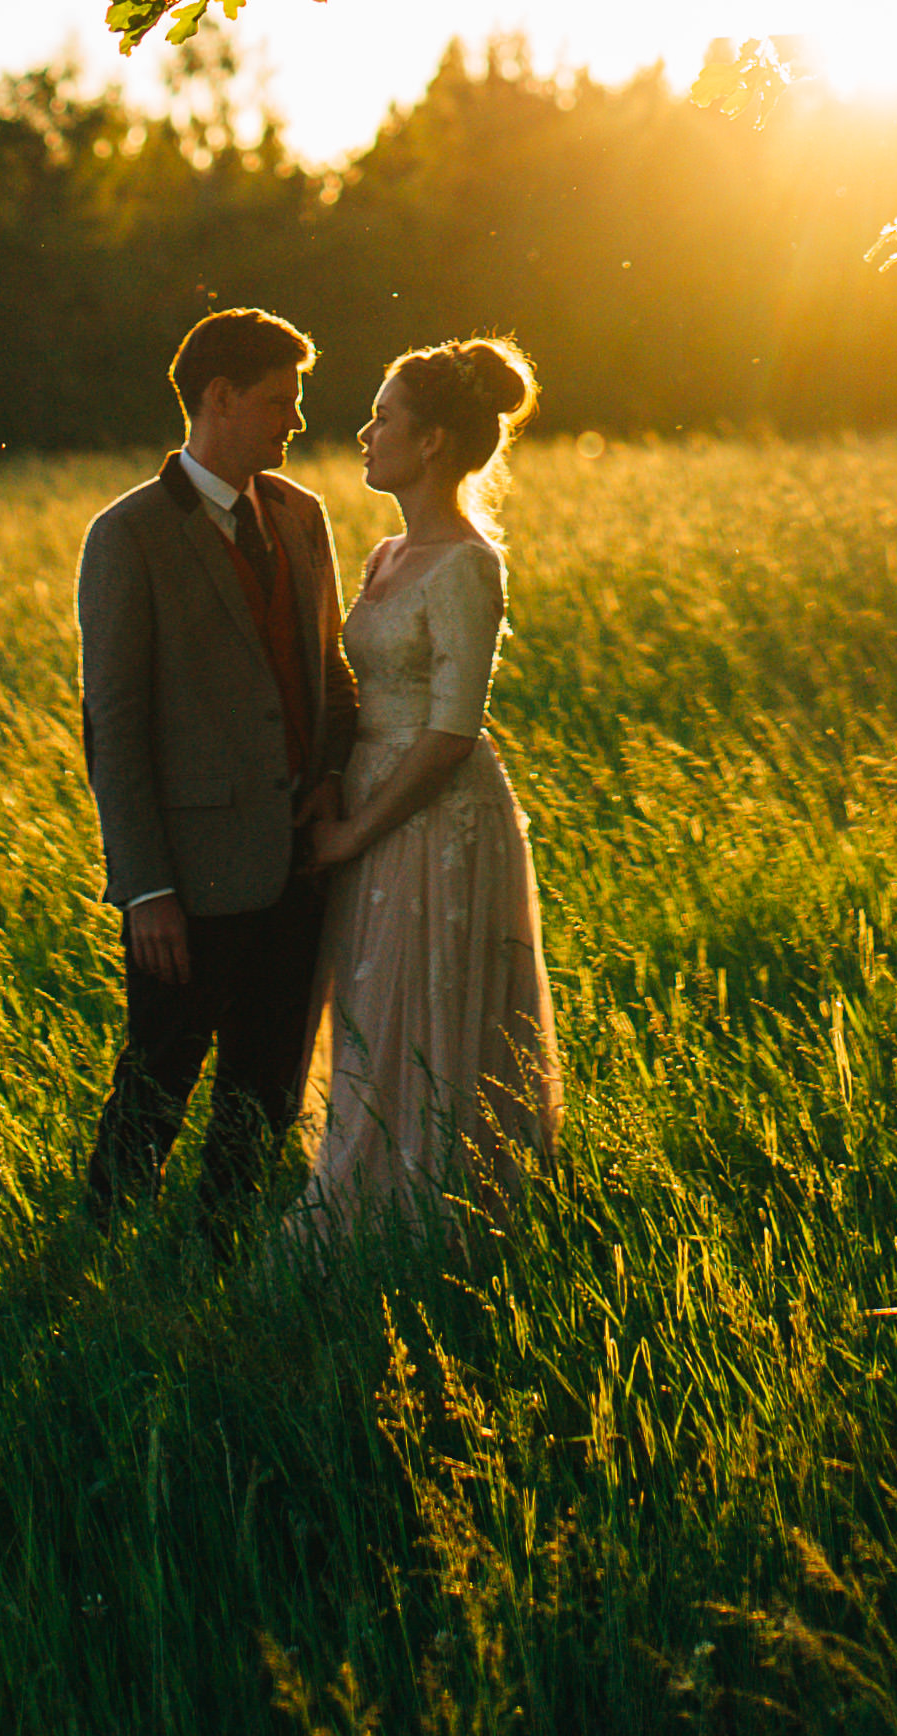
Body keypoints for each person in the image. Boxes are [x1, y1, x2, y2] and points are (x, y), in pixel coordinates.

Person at [76, 305, 360, 1232]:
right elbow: (113, 729)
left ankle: (221, 1249)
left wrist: (329, 775)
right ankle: (102, 1250)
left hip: (299, 864)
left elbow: (329, 673)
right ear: (220, 397)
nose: (297, 421)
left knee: (267, 1084)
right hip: (187, 879)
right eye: (281, 401)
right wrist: (145, 888)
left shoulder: (302, 515)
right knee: (156, 1078)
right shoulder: (128, 535)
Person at [300, 332, 562, 1227]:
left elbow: (452, 733)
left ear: (432, 443)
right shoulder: (383, 556)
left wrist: (352, 831)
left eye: (383, 418)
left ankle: (432, 1208)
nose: (365, 433)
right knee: (374, 998)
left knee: (427, 1002)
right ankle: (364, 1181)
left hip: (432, 811)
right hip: (374, 795)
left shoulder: (466, 564)